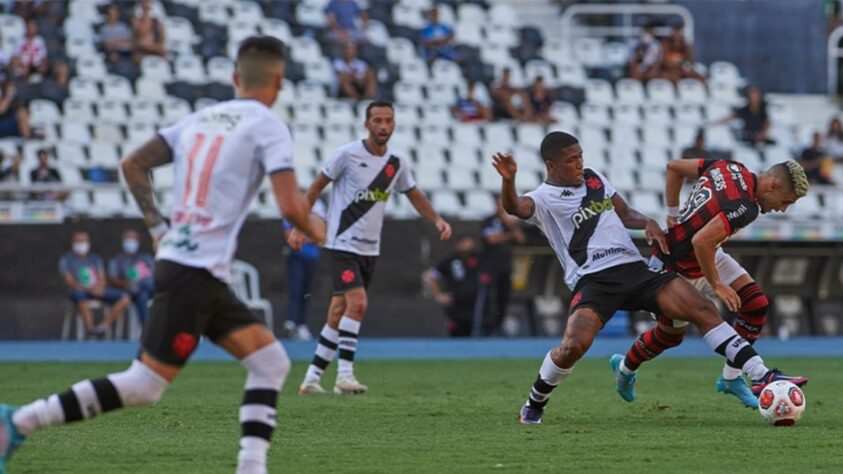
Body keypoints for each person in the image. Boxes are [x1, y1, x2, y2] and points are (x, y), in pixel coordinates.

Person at [0, 36, 325, 474]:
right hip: (196, 273)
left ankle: (252, 467)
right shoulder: (268, 124)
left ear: (234, 78)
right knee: (144, 385)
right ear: (279, 82)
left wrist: (157, 226)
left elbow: (134, 162)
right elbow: (290, 206)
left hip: (191, 266)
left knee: (270, 361)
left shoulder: (198, 119)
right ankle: (18, 421)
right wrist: (319, 231)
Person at [490, 131, 806, 425]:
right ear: (551, 165)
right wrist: (509, 182)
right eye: (572, 160)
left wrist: (650, 222)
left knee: (702, 310)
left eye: (581, 156)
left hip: (636, 269)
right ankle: (536, 401)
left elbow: (625, 214)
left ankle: (761, 374)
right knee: (574, 345)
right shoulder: (543, 198)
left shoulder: (594, 179)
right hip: (594, 281)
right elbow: (515, 207)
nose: (580, 163)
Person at [612, 158, 810, 408]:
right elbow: (701, 241)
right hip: (676, 266)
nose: (783, 210)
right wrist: (717, 284)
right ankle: (625, 368)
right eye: (786, 202)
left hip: (704, 256)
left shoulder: (729, 166)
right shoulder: (746, 206)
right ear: (772, 186)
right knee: (670, 336)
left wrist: (672, 214)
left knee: (755, 304)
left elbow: (674, 167)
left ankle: (732, 377)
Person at [293, 101, 452, 395]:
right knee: (358, 303)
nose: (383, 126)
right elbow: (315, 187)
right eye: (377, 120)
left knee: (338, 310)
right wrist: (300, 225)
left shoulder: (396, 163)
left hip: (369, 249)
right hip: (340, 245)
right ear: (366, 124)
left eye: (388, 121)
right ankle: (345, 375)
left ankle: (311, 379)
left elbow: (414, 194)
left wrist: (436, 219)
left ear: (394, 124)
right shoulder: (347, 155)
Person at [59, 231, 132, 338]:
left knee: (125, 298)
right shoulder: (66, 259)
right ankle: (90, 328)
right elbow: (70, 281)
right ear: (73, 242)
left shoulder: (95, 259)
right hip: (80, 291)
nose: (81, 243)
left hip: (97, 290)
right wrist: (89, 289)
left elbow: (102, 278)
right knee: (79, 296)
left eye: (83, 241)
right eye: (78, 241)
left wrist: (100, 287)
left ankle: (102, 326)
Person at [282, 198, 327, 341]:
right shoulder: (294, 206)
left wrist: (307, 236)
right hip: (296, 255)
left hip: (312, 257)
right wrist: (308, 236)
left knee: (306, 292)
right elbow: (288, 234)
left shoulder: (318, 206)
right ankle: (291, 321)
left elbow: (321, 235)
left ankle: (302, 324)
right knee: (296, 289)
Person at [424, 234, 486, 337]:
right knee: (456, 332)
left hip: (475, 304)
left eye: (469, 243)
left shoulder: (479, 259)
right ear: (458, 245)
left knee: (475, 332)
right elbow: (431, 277)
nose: (467, 245)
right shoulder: (449, 261)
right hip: (455, 303)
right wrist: (438, 295)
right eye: (464, 243)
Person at [480, 195, 525, 334]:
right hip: (489, 266)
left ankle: (498, 327)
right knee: (488, 297)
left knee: (503, 298)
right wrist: (508, 236)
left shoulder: (510, 223)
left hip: (506, 267)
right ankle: (484, 328)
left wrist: (509, 224)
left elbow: (521, 239)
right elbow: (491, 239)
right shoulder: (489, 221)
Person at [108, 229, 155, 325]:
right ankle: (146, 326)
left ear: (138, 241)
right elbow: (112, 279)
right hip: (128, 292)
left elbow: (155, 274)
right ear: (123, 240)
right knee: (142, 295)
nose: (131, 241)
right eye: (128, 238)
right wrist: (127, 283)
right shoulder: (116, 260)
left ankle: (147, 327)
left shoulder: (146, 257)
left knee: (144, 289)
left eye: (133, 238)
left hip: (150, 290)